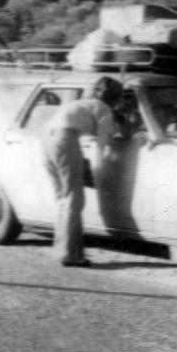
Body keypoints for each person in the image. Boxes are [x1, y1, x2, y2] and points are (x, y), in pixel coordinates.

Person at [40, 76, 122, 268]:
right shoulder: (103, 108)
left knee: (62, 198)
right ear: (113, 97)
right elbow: (105, 145)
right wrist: (104, 171)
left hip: (46, 139)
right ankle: (71, 255)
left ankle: (61, 250)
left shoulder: (82, 102)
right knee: (74, 199)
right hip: (65, 139)